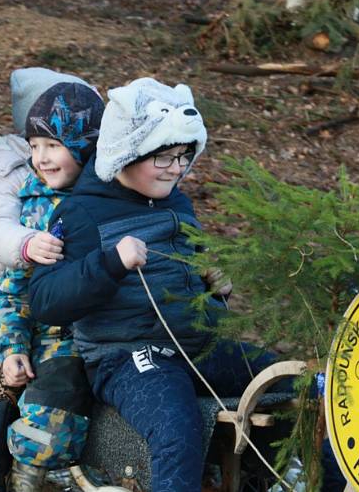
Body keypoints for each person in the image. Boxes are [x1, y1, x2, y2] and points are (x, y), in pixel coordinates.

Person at [27, 77, 281, 492]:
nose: (177, 168)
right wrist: (111, 263)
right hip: (129, 357)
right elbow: (46, 300)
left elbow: (185, 278)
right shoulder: (81, 213)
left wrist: (217, 290)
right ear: (128, 152)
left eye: (184, 156)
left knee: (293, 388)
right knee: (177, 431)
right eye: (164, 158)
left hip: (196, 345)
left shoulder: (176, 200)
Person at [0, 77, 104, 492]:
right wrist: (13, 349)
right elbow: (10, 292)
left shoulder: (117, 195)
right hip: (53, 337)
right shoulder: (37, 207)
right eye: (33, 147)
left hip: (111, 331)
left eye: (52, 146)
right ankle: (13, 477)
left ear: (86, 145)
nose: (40, 159)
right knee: (48, 423)